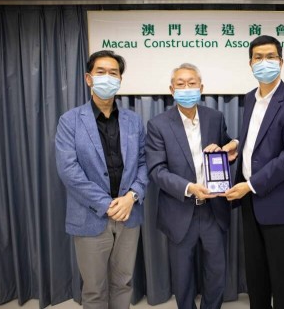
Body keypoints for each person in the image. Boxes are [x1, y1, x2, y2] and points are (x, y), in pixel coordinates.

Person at [223, 35, 284, 309]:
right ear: (250, 63)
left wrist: (250, 185)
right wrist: (238, 144)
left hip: (280, 204)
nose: (264, 62)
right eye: (258, 57)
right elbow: (258, 139)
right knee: (256, 276)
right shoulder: (250, 98)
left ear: (281, 62)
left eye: (270, 57)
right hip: (251, 204)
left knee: (282, 278)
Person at [55, 50, 148, 309]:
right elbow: (69, 171)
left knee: (123, 283)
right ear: (88, 78)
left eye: (113, 73)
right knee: (95, 290)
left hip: (129, 215)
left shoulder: (133, 121)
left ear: (120, 79)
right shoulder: (70, 121)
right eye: (101, 72)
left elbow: (143, 164)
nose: (107, 77)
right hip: (90, 216)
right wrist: (108, 204)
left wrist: (132, 197)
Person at [145, 63, 235, 309]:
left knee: (216, 272)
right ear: (171, 89)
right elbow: (156, 170)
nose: (187, 88)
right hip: (179, 209)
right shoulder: (158, 124)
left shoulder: (215, 118)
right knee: (182, 276)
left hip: (213, 210)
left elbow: (227, 148)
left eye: (192, 83)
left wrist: (231, 147)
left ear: (201, 87)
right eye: (181, 84)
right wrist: (189, 187)